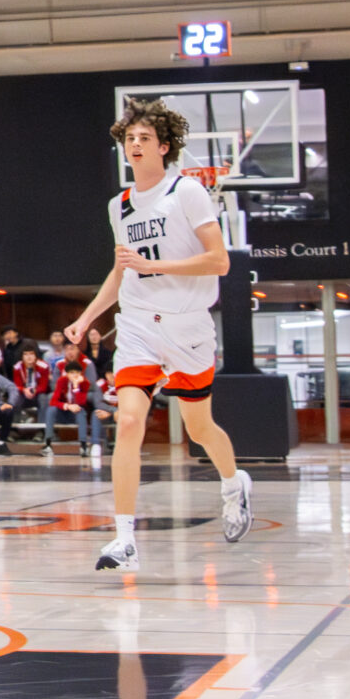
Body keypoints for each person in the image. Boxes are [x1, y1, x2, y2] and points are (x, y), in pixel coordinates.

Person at [66, 97, 251, 573]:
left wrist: (156, 266)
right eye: (130, 138)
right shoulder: (119, 205)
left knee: (199, 429)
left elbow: (219, 261)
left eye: (144, 137)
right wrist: (87, 318)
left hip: (187, 325)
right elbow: (121, 271)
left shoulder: (186, 191)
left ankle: (234, 484)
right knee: (129, 422)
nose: (135, 144)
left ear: (164, 146)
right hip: (137, 326)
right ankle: (124, 539)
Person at [50, 344, 98, 457]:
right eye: (67, 349)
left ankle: (95, 430)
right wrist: (66, 385)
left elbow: (92, 385)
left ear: (78, 350)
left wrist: (80, 383)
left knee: (94, 396)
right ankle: (47, 433)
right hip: (65, 393)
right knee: (49, 397)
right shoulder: (59, 364)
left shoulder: (87, 363)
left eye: (73, 349)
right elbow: (53, 386)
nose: (70, 352)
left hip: (83, 392)